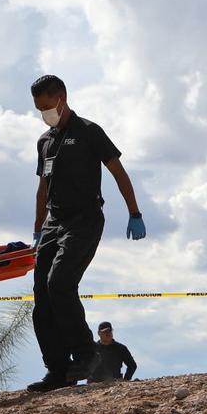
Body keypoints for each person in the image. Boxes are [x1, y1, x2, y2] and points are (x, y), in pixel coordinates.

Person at [26, 75, 146, 393]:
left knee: (60, 282)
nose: (44, 113)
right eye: (39, 108)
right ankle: (57, 369)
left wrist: (134, 213)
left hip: (85, 220)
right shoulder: (45, 141)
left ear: (62, 97)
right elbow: (42, 189)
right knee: (41, 294)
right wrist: (38, 230)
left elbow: (118, 172)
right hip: (53, 223)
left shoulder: (89, 132)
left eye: (47, 106)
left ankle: (85, 354)